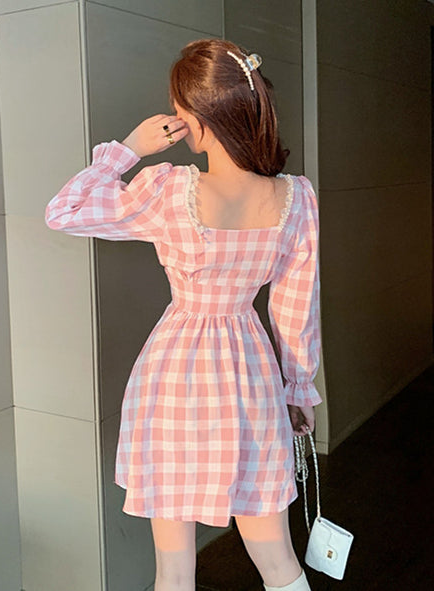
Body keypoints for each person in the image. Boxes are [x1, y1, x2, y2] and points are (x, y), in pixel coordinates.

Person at [45, 38, 321, 591]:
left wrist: (127, 149)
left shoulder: (168, 189)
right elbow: (295, 308)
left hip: (175, 376)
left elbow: (64, 211)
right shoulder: (295, 198)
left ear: (199, 115)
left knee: (173, 571)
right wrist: (298, 390)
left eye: (179, 108)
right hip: (250, 374)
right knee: (278, 560)